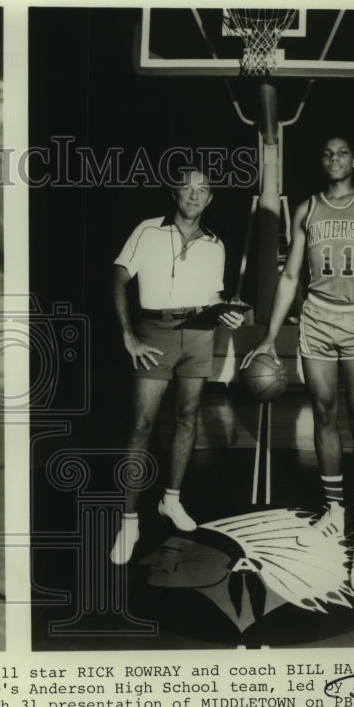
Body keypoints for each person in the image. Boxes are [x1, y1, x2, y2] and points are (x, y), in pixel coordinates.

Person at [242, 136, 354, 593]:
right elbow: (289, 276)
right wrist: (267, 337)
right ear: (321, 162)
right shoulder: (307, 210)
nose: (334, 158)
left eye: (342, 152)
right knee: (324, 416)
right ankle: (334, 514)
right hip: (317, 324)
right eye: (326, 153)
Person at [111, 168, 245, 564]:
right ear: (175, 192)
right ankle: (129, 519)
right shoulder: (147, 230)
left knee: (188, 418)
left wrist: (228, 315)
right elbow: (118, 277)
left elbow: (212, 297)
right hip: (154, 331)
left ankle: (171, 500)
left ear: (210, 200)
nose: (194, 194)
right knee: (141, 425)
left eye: (202, 190)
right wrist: (128, 335)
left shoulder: (215, 245)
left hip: (200, 333)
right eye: (187, 187)